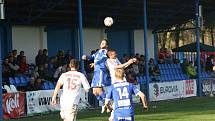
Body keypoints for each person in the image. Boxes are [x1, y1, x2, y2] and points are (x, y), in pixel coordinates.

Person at [82, 39, 111, 113]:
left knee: (99, 89)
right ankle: (105, 102)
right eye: (101, 43)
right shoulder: (97, 52)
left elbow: (104, 58)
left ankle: (107, 103)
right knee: (94, 91)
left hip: (101, 71)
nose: (102, 44)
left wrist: (96, 63)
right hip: (96, 72)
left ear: (107, 46)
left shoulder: (105, 52)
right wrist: (86, 57)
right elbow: (91, 57)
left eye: (104, 43)